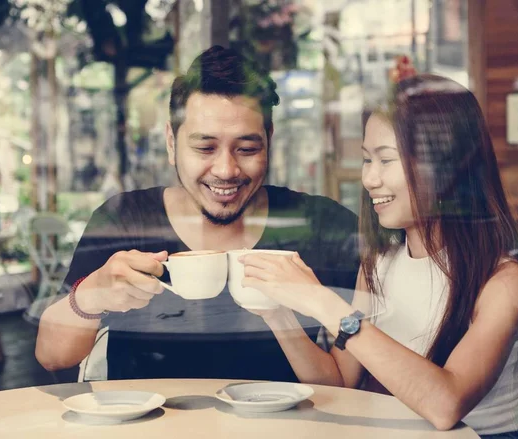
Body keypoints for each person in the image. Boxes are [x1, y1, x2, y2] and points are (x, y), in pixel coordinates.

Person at [35, 45, 360, 382]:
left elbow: (344, 386)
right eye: (205, 148)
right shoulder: (125, 219)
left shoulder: (321, 224)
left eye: (247, 149)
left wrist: (283, 316)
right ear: (171, 144)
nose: (225, 170)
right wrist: (93, 293)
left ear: (269, 142)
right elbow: (52, 357)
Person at [241, 74, 518, 437]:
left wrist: (323, 303)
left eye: (386, 160)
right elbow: (338, 382)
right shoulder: (380, 264)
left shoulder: (505, 281)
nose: (369, 178)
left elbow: (447, 405)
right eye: (367, 160)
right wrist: (279, 314)